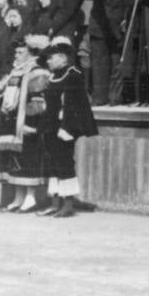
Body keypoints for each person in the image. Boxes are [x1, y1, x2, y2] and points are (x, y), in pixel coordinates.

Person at [37, 39, 98, 218]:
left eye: (51, 57)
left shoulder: (73, 75)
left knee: (64, 163)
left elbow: (73, 104)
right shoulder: (53, 76)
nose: (48, 61)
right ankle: (55, 203)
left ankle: (68, 205)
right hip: (50, 126)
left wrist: (67, 128)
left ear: (63, 58)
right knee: (52, 163)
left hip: (64, 127)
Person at [0, 36, 49, 214]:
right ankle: (18, 197)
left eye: (20, 52)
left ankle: (30, 198)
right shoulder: (15, 72)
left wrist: (30, 124)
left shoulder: (37, 73)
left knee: (26, 159)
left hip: (26, 125)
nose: (16, 55)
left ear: (31, 54)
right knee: (12, 161)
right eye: (15, 52)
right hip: (10, 123)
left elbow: (38, 102)